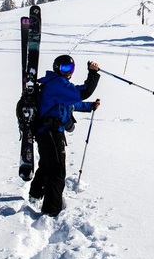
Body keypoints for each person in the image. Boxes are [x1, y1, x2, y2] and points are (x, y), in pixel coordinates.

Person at [29, 55, 101, 217]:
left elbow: (69, 102)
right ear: (56, 68)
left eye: (70, 69)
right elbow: (82, 93)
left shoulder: (54, 83)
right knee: (57, 171)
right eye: (64, 68)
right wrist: (93, 74)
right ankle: (51, 210)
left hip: (46, 131)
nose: (67, 72)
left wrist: (89, 107)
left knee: (48, 166)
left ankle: (34, 195)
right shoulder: (57, 83)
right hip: (51, 131)